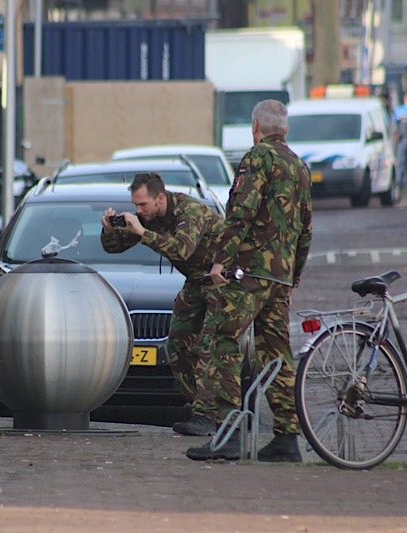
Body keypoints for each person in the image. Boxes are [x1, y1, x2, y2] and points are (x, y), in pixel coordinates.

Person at [185, 99, 312, 463]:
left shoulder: (257, 159)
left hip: (250, 272)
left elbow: (240, 215)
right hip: (279, 276)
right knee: (277, 352)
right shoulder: (300, 166)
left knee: (224, 340)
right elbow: (306, 227)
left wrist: (220, 261)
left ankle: (230, 433)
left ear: (256, 127)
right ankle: (287, 439)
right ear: (283, 129)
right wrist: (294, 273)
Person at [101, 172, 222, 437]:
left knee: (208, 348)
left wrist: (143, 232)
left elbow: (182, 249)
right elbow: (114, 248)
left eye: (143, 204)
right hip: (195, 282)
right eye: (135, 206)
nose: (139, 210)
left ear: (160, 197)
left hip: (221, 280)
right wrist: (110, 231)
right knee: (177, 346)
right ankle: (202, 409)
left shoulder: (189, 211)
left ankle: (207, 416)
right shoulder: (150, 218)